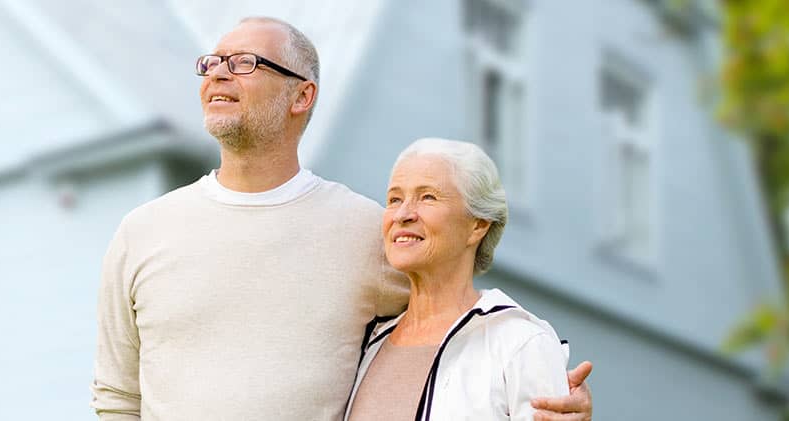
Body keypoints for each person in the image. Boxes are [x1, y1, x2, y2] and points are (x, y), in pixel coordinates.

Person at [92, 17, 593, 420]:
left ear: (302, 96)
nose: (219, 73)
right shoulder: (143, 232)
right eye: (212, 62)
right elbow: (116, 398)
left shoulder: (365, 232)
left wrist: (549, 389)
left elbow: (454, 316)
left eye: (245, 63)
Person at [347, 138, 569, 420]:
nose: (402, 214)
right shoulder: (368, 341)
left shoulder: (520, 343)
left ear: (477, 225)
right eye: (394, 199)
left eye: (428, 197)